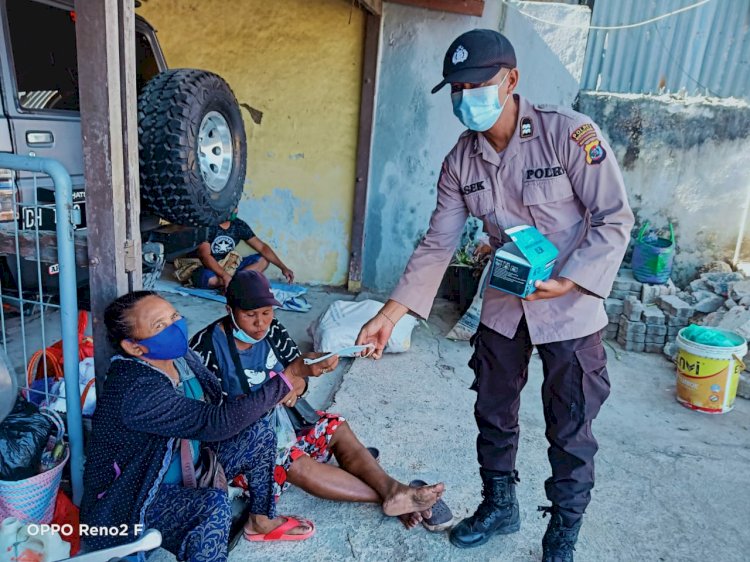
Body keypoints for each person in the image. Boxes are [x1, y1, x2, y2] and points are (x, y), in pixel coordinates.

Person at [356, 29, 634, 561]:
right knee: (493, 410)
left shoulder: (569, 135)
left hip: (570, 308)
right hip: (506, 303)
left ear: (511, 81)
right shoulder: (460, 162)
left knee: (571, 424)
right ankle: (500, 505)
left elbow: (613, 218)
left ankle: (563, 531)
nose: (466, 99)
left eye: (477, 85)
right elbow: (438, 243)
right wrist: (391, 314)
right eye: (456, 89)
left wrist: (572, 280)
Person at [190, 269, 451, 531]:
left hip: (283, 423)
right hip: (245, 447)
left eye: (266, 313)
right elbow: (213, 422)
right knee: (292, 460)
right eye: (250, 315)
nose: (260, 324)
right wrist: (283, 384)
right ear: (229, 310)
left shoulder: (273, 331)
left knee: (336, 427)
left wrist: (296, 385)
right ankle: (389, 497)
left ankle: (394, 491)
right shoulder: (206, 349)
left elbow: (300, 380)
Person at [80, 291, 319, 561]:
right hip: (134, 498)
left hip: (188, 468)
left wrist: (253, 402)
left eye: (174, 316)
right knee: (211, 508)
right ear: (135, 347)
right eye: (160, 325)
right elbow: (215, 422)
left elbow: (217, 405)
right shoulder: (135, 390)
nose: (175, 327)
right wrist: (289, 376)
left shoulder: (180, 358)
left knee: (259, 431)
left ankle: (260, 520)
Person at [193, 208, 294, 289]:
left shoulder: (239, 225)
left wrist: (283, 267)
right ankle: (235, 282)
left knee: (263, 260)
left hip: (229, 267)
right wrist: (224, 276)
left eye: (236, 207)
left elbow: (262, 247)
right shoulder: (208, 225)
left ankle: (233, 283)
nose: (236, 210)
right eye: (233, 207)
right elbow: (205, 256)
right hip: (209, 267)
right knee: (206, 277)